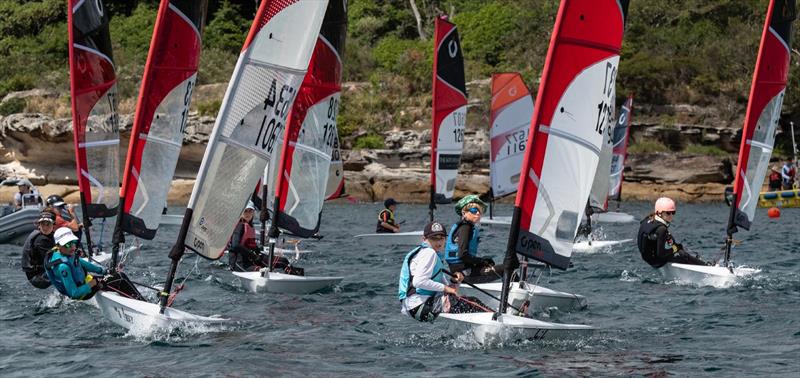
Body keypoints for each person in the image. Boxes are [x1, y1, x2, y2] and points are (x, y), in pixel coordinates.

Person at [398, 221, 487, 322]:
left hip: (414, 308)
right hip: (420, 306)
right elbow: (418, 282)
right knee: (473, 303)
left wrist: (454, 281)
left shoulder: (425, 253)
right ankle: (497, 319)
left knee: (466, 304)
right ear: (424, 239)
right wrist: (447, 289)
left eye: (441, 238)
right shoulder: (429, 253)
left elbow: (448, 289)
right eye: (434, 238)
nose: (438, 242)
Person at [227, 201, 302, 275]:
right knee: (261, 271)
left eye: (250, 211)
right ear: (241, 212)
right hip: (239, 262)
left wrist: (257, 250)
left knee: (283, 261)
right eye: (245, 211)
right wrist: (253, 255)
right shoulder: (239, 226)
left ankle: (296, 277)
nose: (248, 214)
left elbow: (250, 245)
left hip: (252, 258)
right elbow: (235, 245)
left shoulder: (250, 226)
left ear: (253, 212)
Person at [444, 194, 504, 284]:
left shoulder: (467, 227)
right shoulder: (465, 228)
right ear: (464, 213)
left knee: (496, 266)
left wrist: (482, 261)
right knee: (507, 269)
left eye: (480, 211)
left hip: (466, 270)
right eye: (474, 210)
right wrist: (481, 261)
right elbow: (462, 255)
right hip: (463, 274)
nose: (478, 213)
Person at [637, 197, 710, 268]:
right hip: (656, 261)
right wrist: (676, 248)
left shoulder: (648, 219)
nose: (671, 216)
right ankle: (707, 267)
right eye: (668, 213)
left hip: (648, 258)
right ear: (659, 213)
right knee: (684, 256)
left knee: (678, 249)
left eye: (673, 212)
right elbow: (661, 254)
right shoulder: (661, 229)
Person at [44, 227, 107, 300]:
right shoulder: (63, 267)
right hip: (81, 294)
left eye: (73, 242)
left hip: (84, 281)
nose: (73, 247)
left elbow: (80, 262)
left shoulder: (65, 253)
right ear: (58, 245)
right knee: (115, 280)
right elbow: (74, 294)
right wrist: (92, 283)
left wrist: (102, 270)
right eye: (68, 244)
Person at [21, 210, 57, 289]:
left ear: (53, 225)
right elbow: (52, 260)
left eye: (48, 224)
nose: (45, 227)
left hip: (42, 272)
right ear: (39, 225)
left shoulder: (49, 235)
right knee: (64, 265)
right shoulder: (41, 240)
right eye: (42, 224)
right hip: (38, 278)